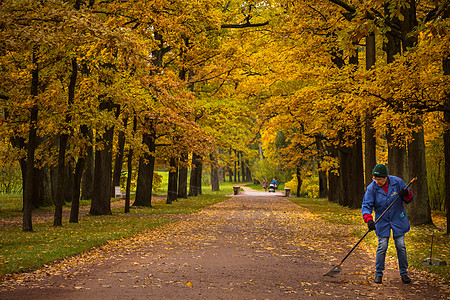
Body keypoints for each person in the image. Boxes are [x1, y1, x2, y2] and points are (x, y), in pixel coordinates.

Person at [361, 164, 413, 285]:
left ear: (386, 177)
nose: (377, 181)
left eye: (379, 179)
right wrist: (368, 219)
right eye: (375, 179)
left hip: (397, 218)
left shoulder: (398, 182)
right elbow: (366, 205)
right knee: (382, 246)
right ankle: (378, 274)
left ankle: (404, 273)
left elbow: (409, 199)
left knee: (400, 245)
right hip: (382, 220)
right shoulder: (372, 188)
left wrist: (406, 194)